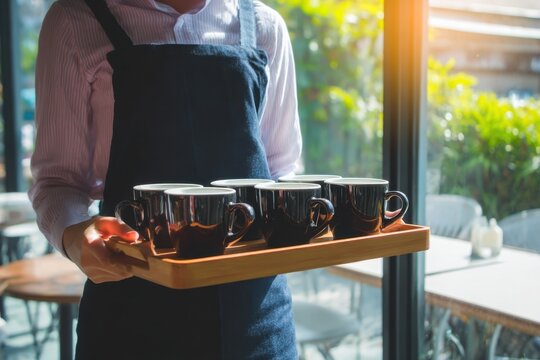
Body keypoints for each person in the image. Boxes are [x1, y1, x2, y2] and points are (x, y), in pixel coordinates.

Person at [29, 0, 302, 358]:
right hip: (132, 310)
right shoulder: (75, 21)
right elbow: (55, 180)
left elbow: (279, 170)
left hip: (256, 316)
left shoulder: (265, 26)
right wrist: (75, 235)